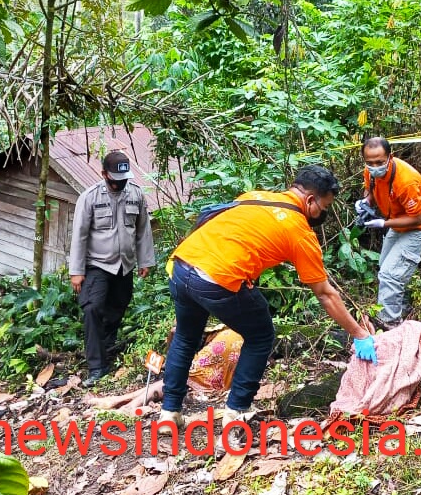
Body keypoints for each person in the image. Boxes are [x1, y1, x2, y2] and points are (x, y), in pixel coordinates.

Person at [160, 165, 378, 440]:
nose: (323, 214)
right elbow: (324, 293)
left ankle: (169, 413)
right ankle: (236, 411)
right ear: (310, 200)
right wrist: (359, 334)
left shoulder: (255, 196)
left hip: (182, 266)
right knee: (261, 335)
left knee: (185, 338)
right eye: (324, 207)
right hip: (217, 278)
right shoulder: (299, 230)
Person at [69, 150, 156, 388]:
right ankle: (97, 367)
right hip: (97, 263)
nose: (119, 184)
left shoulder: (135, 194)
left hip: (124, 264)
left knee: (118, 305)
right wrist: (76, 271)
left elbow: (142, 229)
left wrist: (145, 260)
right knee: (92, 308)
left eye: (123, 179)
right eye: (114, 180)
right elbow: (79, 235)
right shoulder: (90, 197)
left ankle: (105, 346)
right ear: (104, 174)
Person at [356, 137, 421, 330]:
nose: (374, 166)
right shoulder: (370, 172)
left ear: (390, 157)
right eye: (369, 163)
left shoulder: (406, 181)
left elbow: (417, 218)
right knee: (384, 266)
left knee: (390, 275)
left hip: (420, 226)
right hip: (397, 221)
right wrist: (366, 202)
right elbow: (370, 191)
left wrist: (384, 223)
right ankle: (402, 308)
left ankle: (389, 324)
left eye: (379, 162)